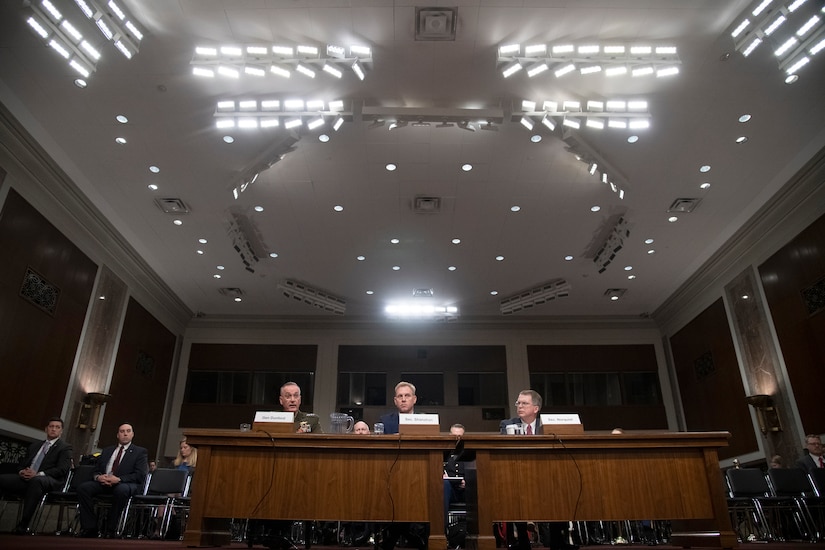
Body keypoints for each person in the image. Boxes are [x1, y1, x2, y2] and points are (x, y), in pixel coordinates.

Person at [0, 417, 72, 534]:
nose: (53, 429)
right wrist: (22, 471)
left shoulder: (64, 448)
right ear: (46, 429)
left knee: (36, 481)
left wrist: (38, 474)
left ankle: (23, 525)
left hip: (49, 480)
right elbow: (21, 464)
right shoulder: (34, 445)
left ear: (61, 431)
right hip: (26, 478)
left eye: (57, 427)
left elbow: (61, 470)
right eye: (51, 426)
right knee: (2, 479)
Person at [76, 423, 149, 538]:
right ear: (117, 435)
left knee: (121, 490)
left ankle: (110, 528)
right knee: (83, 488)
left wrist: (119, 479)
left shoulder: (140, 452)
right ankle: (90, 528)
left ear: (132, 434)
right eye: (122, 431)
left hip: (126, 484)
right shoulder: (107, 450)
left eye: (128, 431)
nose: (125, 433)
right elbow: (95, 471)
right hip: (104, 483)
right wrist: (98, 477)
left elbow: (140, 475)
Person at [378, 381, 426, 550]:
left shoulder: (425, 421)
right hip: (392, 474)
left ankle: (397, 534)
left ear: (414, 399)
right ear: (395, 400)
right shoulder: (385, 421)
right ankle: (410, 535)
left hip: (419, 473)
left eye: (407, 396)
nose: (404, 399)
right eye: (400, 396)